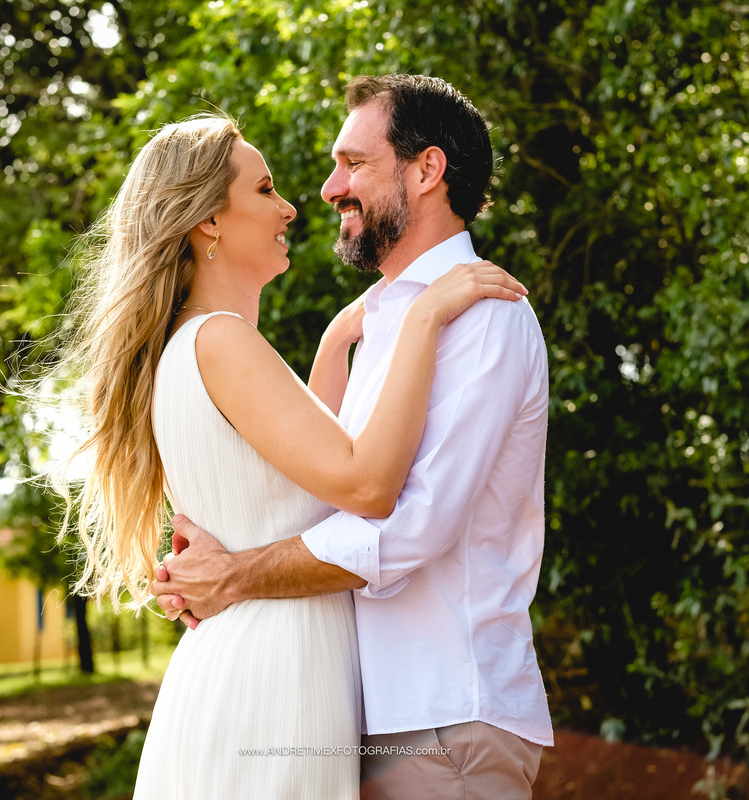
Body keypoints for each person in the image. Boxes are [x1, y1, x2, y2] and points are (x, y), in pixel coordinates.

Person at [36, 113, 526, 799]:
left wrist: (333, 346)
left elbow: (303, 474)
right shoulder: (222, 342)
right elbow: (364, 483)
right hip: (270, 673)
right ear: (208, 220)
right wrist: (422, 319)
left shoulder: (196, 346)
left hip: (258, 667)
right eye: (264, 189)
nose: (292, 205)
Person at [152, 75, 554, 799]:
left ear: (427, 170)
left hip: (444, 716)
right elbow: (331, 494)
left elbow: (407, 525)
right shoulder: (385, 324)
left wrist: (237, 575)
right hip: (356, 715)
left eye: (355, 163)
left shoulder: (483, 313)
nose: (330, 186)